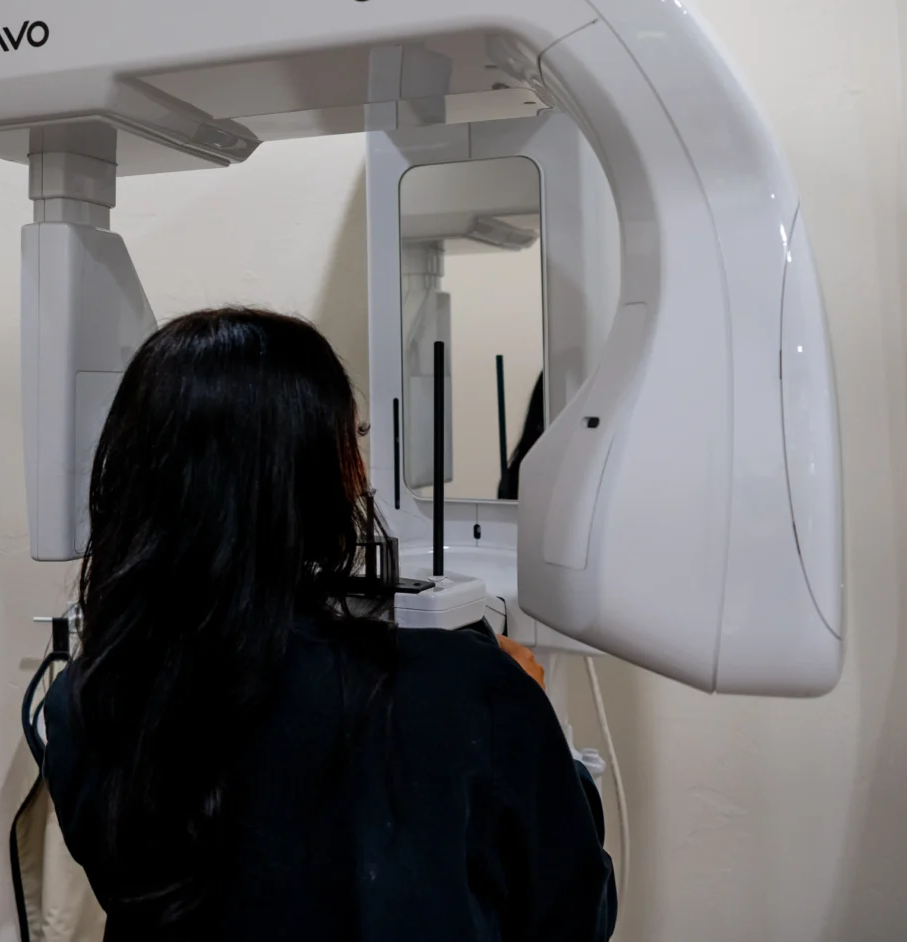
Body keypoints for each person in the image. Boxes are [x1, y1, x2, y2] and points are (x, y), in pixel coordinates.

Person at [43, 308, 616, 941]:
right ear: (310, 471)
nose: (361, 468)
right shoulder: (467, 692)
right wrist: (545, 734)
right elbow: (575, 917)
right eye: (353, 438)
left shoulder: (88, 700)